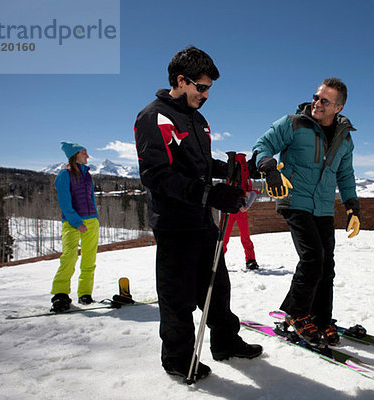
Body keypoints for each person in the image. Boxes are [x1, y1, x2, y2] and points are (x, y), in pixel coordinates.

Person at [134, 46, 262, 381]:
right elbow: (156, 175)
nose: (205, 95)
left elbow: (201, 166)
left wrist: (238, 168)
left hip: (203, 219)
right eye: (201, 88)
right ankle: (177, 358)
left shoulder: (197, 118)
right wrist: (210, 193)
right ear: (181, 80)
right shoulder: (154, 116)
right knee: (177, 296)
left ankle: (225, 342)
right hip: (175, 223)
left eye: (208, 90)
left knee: (218, 288)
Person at [252, 78, 361, 346]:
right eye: (316, 97)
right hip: (294, 200)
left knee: (327, 265)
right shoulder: (293, 123)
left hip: (322, 206)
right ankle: (297, 314)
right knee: (313, 257)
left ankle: (322, 319)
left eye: (325, 100)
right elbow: (262, 145)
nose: (316, 103)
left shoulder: (344, 138)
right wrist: (268, 167)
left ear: (339, 107)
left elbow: (345, 174)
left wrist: (352, 207)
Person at [51, 141, 100, 312]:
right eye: (84, 152)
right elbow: (65, 203)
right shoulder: (64, 175)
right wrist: (77, 222)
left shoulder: (87, 174)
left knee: (89, 260)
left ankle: (85, 293)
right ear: (75, 155)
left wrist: (95, 218)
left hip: (92, 221)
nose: (87, 155)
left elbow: (91, 199)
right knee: (69, 257)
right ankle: (60, 295)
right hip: (72, 222)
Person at [222, 153, 259, 270]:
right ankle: (250, 260)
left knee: (226, 236)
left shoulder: (237, 174)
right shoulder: (242, 173)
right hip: (235, 209)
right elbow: (252, 192)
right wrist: (247, 206)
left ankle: (218, 259)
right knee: (236, 237)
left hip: (231, 209)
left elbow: (252, 192)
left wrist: (247, 206)